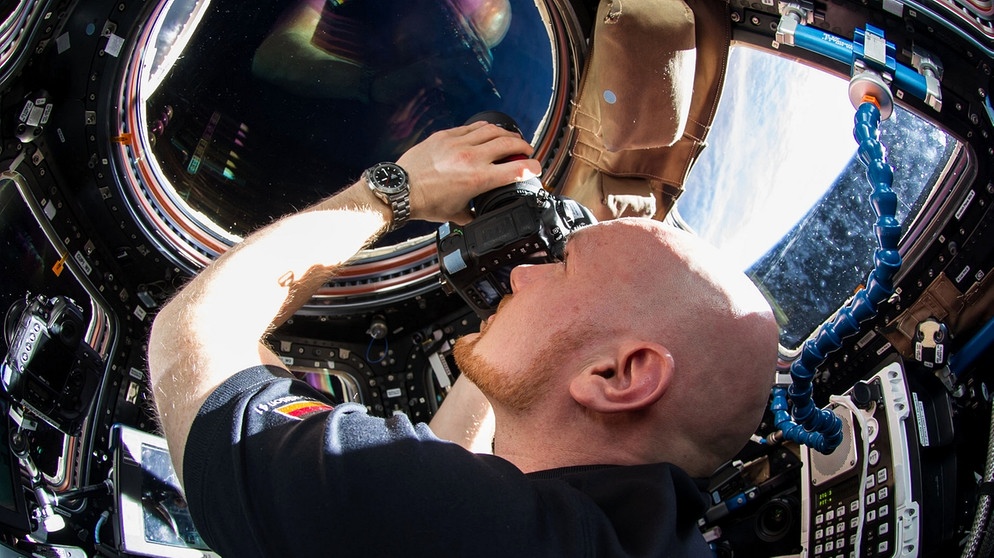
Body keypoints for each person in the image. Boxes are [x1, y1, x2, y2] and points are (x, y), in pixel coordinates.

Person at [147, 121, 779, 556]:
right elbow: (455, 468)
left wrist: (394, 191)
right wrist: (518, 334)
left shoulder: (485, 532)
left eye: (561, 266)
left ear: (620, 374)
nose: (525, 272)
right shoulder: (617, 532)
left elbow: (192, 339)